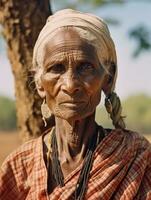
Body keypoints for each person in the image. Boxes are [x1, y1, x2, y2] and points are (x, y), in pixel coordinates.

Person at [0, 9, 151, 200]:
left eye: (85, 67)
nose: (70, 85)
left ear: (107, 78)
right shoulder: (20, 167)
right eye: (56, 68)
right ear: (39, 84)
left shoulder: (135, 157)